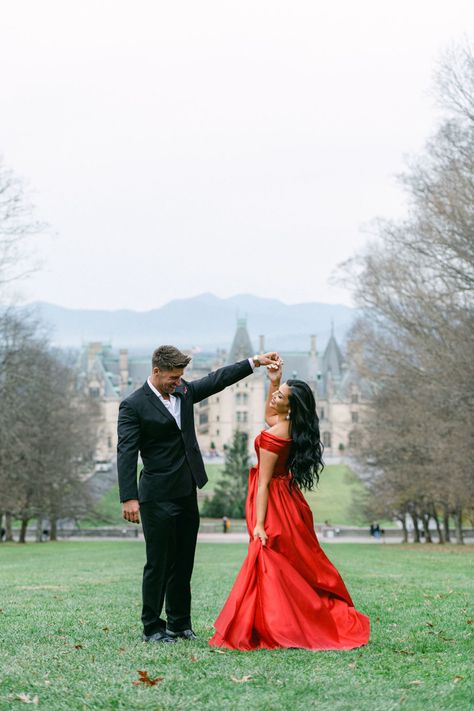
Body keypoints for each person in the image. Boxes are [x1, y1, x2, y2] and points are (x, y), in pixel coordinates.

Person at [117, 344, 280, 644]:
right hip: (155, 496)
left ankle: (179, 624)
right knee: (158, 563)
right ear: (156, 371)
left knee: (183, 562)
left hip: (185, 491)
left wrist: (254, 362)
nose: (178, 382)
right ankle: (153, 626)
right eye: (173, 377)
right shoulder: (133, 405)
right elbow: (126, 452)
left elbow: (218, 379)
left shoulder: (184, 392)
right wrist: (129, 497)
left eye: (181, 377)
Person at [209, 361, 370, 651]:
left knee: (270, 560)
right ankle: (277, 618)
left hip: (273, 502)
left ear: (291, 407)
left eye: (280, 396)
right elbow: (271, 414)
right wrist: (275, 381)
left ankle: (275, 624)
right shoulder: (290, 427)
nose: (274, 398)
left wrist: (258, 523)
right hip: (289, 500)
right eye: (278, 393)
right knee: (291, 563)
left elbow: (264, 483)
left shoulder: (273, 437)